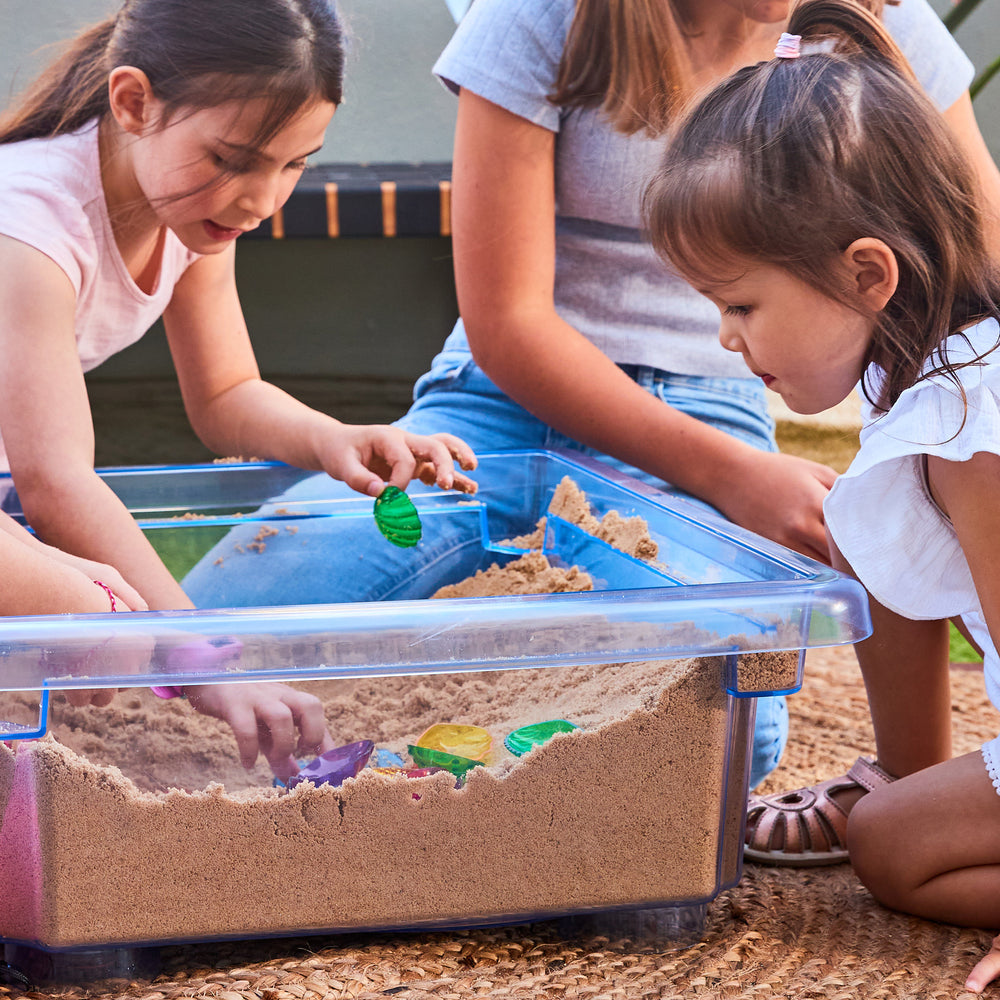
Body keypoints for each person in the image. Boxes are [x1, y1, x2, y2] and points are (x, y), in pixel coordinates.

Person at [184, 0, 992, 792]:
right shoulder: (545, 17)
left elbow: (967, 263)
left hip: (712, 412)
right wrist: (733, 478)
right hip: (491, 415)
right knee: (205, 633)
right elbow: (508, 322)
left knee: (725, 725)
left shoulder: (879, 22)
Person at [0, 0, 477, 779]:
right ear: (133, 102)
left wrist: (335, 440)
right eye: (232, 159)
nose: (262, 199)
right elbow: (56, 483)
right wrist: (205, 658)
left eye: (294, 164)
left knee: (108, 613)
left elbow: (225, 393)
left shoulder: (189, 212)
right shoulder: (29, 225)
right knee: (97, 620)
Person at [642, 0, 1000, 990]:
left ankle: (909, 801)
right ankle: (911, 775)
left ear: (865, 273)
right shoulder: (926, 383)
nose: (725, 339)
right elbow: (885, 559)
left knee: (889, 849)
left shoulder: (976, 429)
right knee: (862, 524)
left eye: (740, 304)